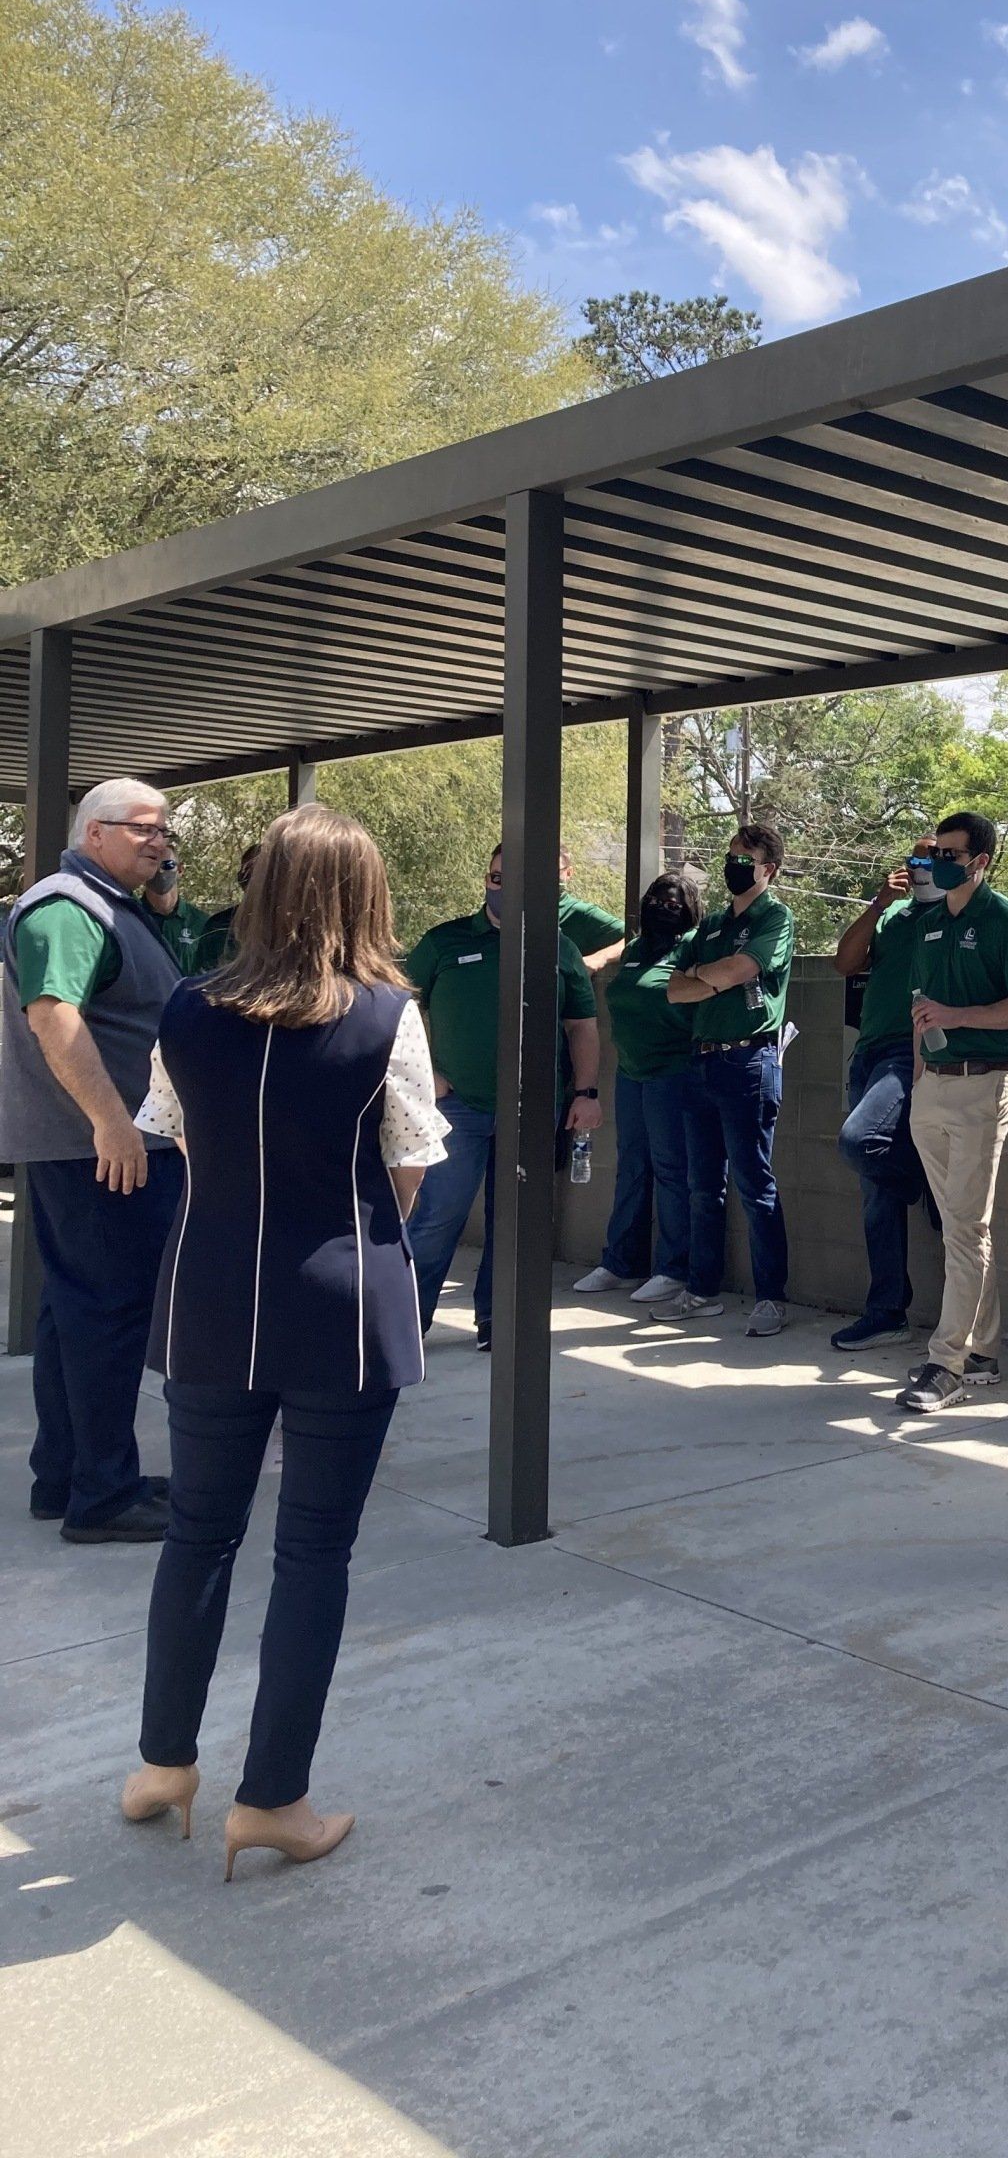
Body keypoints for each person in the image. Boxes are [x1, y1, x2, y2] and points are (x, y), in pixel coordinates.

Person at [118, 803, 446, 1877]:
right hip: (340, 1309)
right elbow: (407, 1170)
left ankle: (164, 1764)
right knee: (312, 1551)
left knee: (197, 1535)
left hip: (212, 1294)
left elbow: (170, 1135)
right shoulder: (388, 1014)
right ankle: (274, 1797)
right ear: (365, 895)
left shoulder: (185, 1008)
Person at [1, 778, 185, 1543]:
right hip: (102, 1152)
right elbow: (52, 1014)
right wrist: (112, 1122)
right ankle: (103, 1498)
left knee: (75, 1313)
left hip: (96, 1149)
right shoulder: (68, 907)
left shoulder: (106, 903)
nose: (158, 841)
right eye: (142, 828)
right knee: (107, 1316)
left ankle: (69, 1475)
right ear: (94, 832)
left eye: (165, 830)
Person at [832, 840, 1008, 1354]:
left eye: (932, 859)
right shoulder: (894, 915)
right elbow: (845, 962)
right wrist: (876, 904)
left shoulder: (969, 910)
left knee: (862, 1144)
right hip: (873, 1051)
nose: (922, 869)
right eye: (914, 861)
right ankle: (886, 1311)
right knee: (877, 1190)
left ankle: (966, 1341)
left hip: (923, 1053)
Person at [405, 846, 602, 1349]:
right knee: (436, 1217)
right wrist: (427, 1075)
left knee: (516, 1224)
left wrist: (586, 1093)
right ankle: (404, 1323)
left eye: (511, 878)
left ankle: (500, 1321)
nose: (500, 885)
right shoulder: (444, 942)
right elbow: (394, 1010)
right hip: (458, 1109)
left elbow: (581, 1027)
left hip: (535, 1109)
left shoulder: (559, 949)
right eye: (494, 876)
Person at [898, 812, 1008, 1413]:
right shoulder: (929, 924)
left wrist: (959, 1017)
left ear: (981, 861)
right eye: (937, 850)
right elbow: (921, 1008)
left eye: (953, 853)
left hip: (986, 1085)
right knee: (962, 1227)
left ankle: (947, 1364)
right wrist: (918, 1082)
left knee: (965, 1226)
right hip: (932, 1088)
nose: (940, 860)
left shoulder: (1007, 922)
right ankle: (982, 1350)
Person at [666, 824, 794, 1336]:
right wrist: (708, 977)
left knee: (753, 1181)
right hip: (701, 1061)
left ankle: (771, 1297)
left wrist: (712, 976)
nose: (735, 865)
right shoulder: (712, 924)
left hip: (749, 1063)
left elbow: (740, 971)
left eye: (747, 859)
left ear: (769, 869)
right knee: (703, 1185)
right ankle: (701, 1288)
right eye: (732, 856)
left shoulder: (776, 917)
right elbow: (675, 989)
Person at [573, 871, 704, 1309]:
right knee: (631, 1165)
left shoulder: (693, 947)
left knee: (671, 1169)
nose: (664, 908)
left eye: (675, 903)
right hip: (631, 1072)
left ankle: (672, 1267)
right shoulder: (634, 947)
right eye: (658, 900)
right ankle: (620, 1260)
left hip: (674, 1072)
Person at [190, 844, 260, 975]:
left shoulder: (292, 927)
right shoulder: (219, 925)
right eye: (247, 873)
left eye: (260, 873)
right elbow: (201, 980)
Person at [558, 850, 627, 977]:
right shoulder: (515, 908)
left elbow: (633, 938)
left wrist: (600, 958)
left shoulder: (580, 912)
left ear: (568, 873)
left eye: (556, 871)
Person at [143, 853, 208, 972]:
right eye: (152, 865)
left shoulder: (202, 923)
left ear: (180, 869)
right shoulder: (130, 917)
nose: (160, 871)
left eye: (167, 865)